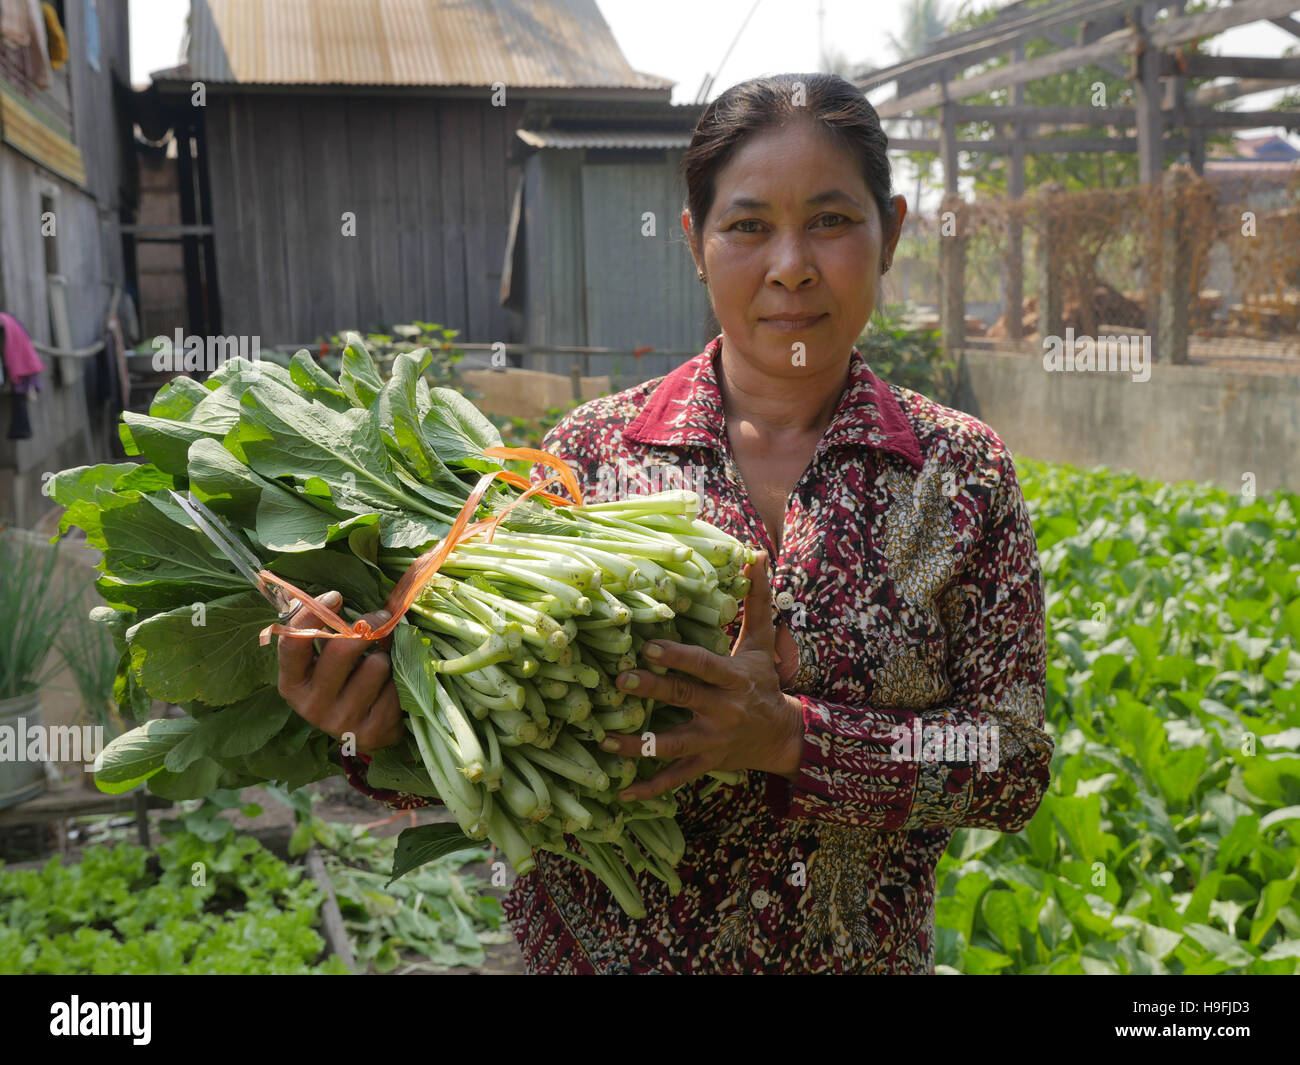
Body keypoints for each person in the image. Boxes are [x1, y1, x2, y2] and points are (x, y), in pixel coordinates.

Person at [277, 73, 1053, 974]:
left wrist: (792, 738)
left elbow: (1012, 759)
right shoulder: (581, 461)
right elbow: (482, 739)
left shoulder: (961, 472)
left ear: (891, 234)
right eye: (748, 225)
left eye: (833, 221)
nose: (791, 264)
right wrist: (365, 730)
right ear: (695, 242)